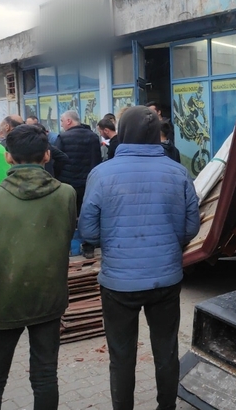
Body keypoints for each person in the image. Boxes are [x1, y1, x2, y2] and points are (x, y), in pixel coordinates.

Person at [79, 106, 199, 410]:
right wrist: (170, 242)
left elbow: (89, 231)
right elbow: (191, 227)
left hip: (118, 283)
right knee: (166, 350)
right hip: (166, 279)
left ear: (123, 133)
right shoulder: (178, 172)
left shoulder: (101, 174)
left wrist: (114, 241)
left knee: (121, 356)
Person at [0, 124, 76, 409]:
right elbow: (65, 239)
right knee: (46, 376)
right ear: (47, 155)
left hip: (1, 303)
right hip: (49, 299)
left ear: (8, 156)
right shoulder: (66, 194)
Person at [55, 110, 101, 212]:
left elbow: (57, 162)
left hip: (67, 183)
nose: (61, 125)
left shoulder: (62, 137)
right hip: (88, 183)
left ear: (69, 121)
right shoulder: (93, 137)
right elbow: (97, 160)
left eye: (62, 121)